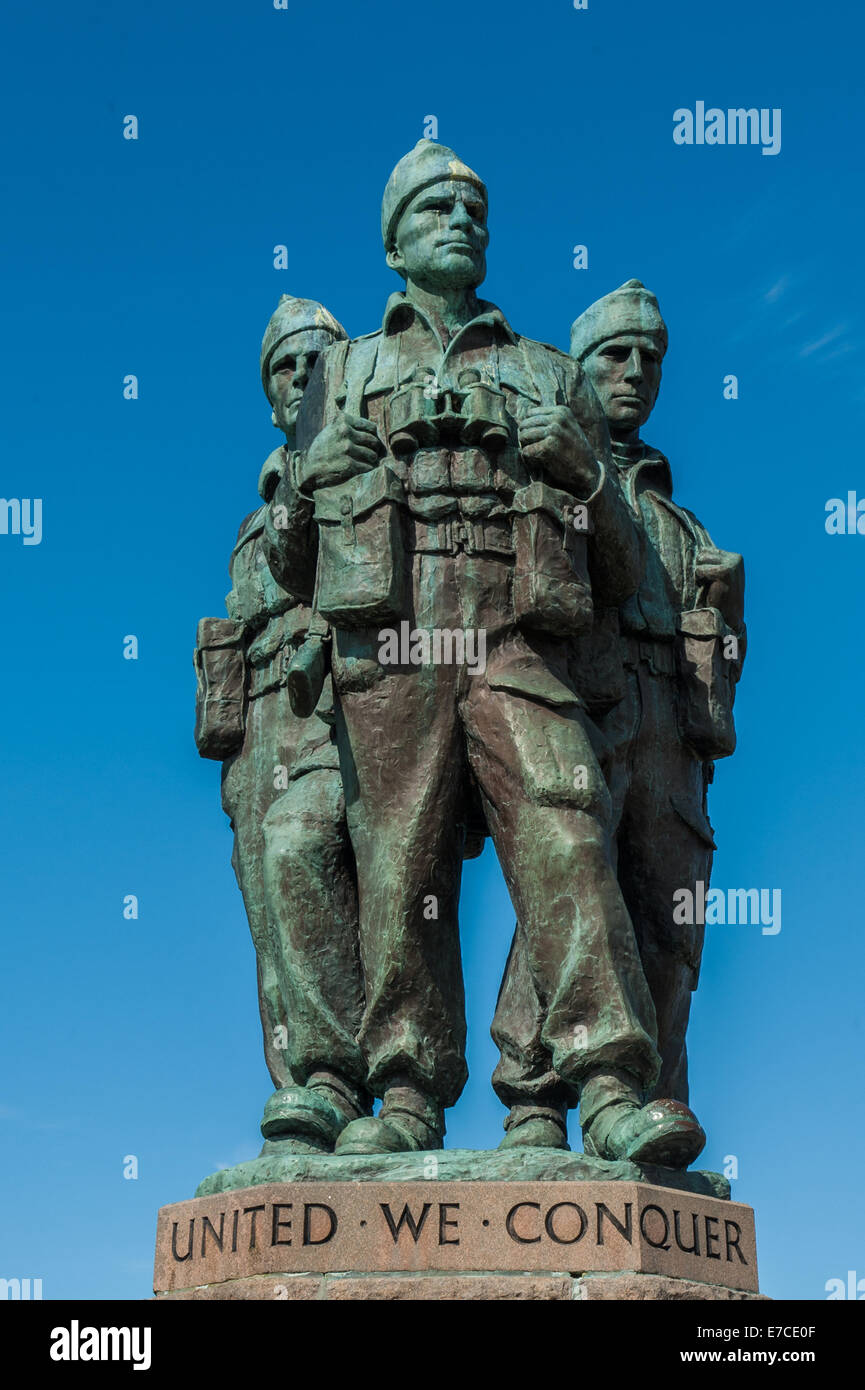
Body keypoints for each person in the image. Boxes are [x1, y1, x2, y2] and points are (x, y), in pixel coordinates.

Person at [266, 144, 705, 1167]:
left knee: (565, 830)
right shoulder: (345, 371)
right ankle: (407, 1089)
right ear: (393, 237)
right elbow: (293, 565)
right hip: (395, 642)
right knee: (399, 862)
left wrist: (585, 474)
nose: (458, 218)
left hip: (512, 637)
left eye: (472, 205)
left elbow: (622, 567)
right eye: (433, 206)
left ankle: (602, 1083)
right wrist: (302, 484)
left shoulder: (549, 370)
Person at [492, 280, 746, 1148]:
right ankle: (534, 1097)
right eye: (613, 353)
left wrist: (730, 610)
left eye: (650, 357)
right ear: (576, 364)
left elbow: (727, 662)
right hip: (584, 704)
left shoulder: (681, 519)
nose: (635, 370)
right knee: (567, 894)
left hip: (672, 728)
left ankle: (655, 1101)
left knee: (671, 926)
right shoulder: (546, 469)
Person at [195, 295, 370, 1151]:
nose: (300, 376)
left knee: (326, 876)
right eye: (283, 366)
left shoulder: (364, 472)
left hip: (339, 709)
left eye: (314, 361)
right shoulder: (250, 521)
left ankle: (359, 1083)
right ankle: (303, 1101)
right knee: (272, 920)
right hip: (256, 726)